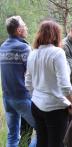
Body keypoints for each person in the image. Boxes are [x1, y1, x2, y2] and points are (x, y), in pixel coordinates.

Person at [25, 20, 72, 147]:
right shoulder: (57, 53)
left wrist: (37, 97)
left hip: (36, 106)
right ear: (56, 35)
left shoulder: (32, 53)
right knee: (57, 144)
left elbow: (28, 84)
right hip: (55, 108)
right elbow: (65, 86)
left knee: (41, 142)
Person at [0, 16, 36, 147]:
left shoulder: (2, 47)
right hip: (21, 97)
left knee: (12, 135)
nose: (26, 28)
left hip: (7, 98)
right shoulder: (24, 48)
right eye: (24, 26)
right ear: (19, 30)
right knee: (44, 130)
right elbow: (32, 73)